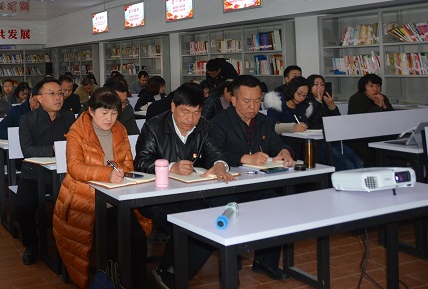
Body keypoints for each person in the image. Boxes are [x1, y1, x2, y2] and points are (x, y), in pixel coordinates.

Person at [134, 84, 234, 286]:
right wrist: (171, 167)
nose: (191, 119)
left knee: (211, 226)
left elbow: (214, 151)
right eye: (185, 112)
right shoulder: (154, 126)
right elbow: (141, 164)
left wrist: (219, 164)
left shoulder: (204, 126)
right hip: (157, 197)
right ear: (173, 107)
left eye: (196, 113)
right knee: (187, 225)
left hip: (190, 194)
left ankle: (171, 274)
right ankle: (171, 275)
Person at [53, 87, 151, 289]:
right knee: (115, 240)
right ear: (91, 111)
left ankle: (137, 283)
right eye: (104, 113)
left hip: (118, 197)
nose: (109, 119)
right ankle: (112, 282)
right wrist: (107, 173)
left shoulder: (120, 129)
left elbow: (128, 164)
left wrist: (121, 172)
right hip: (86, 198)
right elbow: (75, 167)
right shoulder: (77, 132)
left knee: (137, 238)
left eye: (114, 113)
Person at [210, 75, 295, 281]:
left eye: (257, 101)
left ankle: (265, 262)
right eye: (246, 101)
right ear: (233, 100)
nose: (252, 106)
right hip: (227, 185)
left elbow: (276, 144)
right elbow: (213, 153)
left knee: (276, 205)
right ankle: (232, 268)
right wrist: (243, 158)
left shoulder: (264, 122)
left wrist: (284, 151)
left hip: (256, 184)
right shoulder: (219, 122)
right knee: (229, 213)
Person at [16, 78, 75, 265]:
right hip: (33, 173)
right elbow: (27, 150)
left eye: (60, 93)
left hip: (63, 174)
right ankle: (31, 244)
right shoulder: (27, 120)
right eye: (52, 93)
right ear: (39, 98)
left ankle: (70, 245)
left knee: (76, 205)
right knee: (23, 206)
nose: (58, 97)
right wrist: (53, 149)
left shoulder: (69, 118)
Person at [306, 75, 363, 170]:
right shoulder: (306, 102)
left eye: (322, 84)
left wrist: (332, 106)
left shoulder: (326, 101)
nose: (320, 87)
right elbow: (311, 121)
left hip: (333, 140)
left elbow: (337, 120)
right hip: (319, 143)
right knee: (347, 165)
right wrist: (318, 102)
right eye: (316, 85)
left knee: (357, 161)